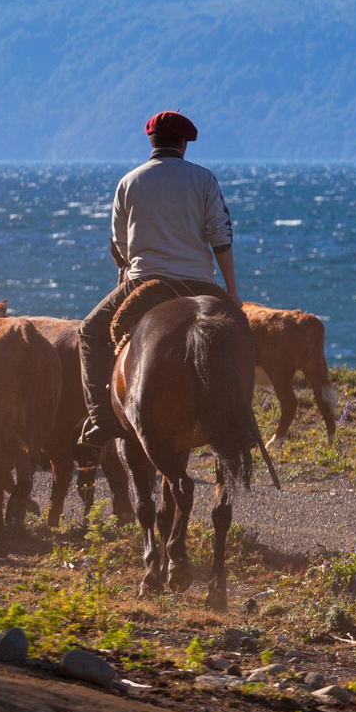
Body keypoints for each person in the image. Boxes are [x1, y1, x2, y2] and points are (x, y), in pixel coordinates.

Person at [76, 111, 238, 458]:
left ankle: (101, 419)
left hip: (144, 281)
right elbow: (220, 237)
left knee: (89, 332)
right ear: (183, 143)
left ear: (151, 141)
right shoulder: (204, 179)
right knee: (238, 334)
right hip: (199, 283)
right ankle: (241, 417)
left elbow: (119, 246)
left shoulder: (129, 182)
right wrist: (232, 292)